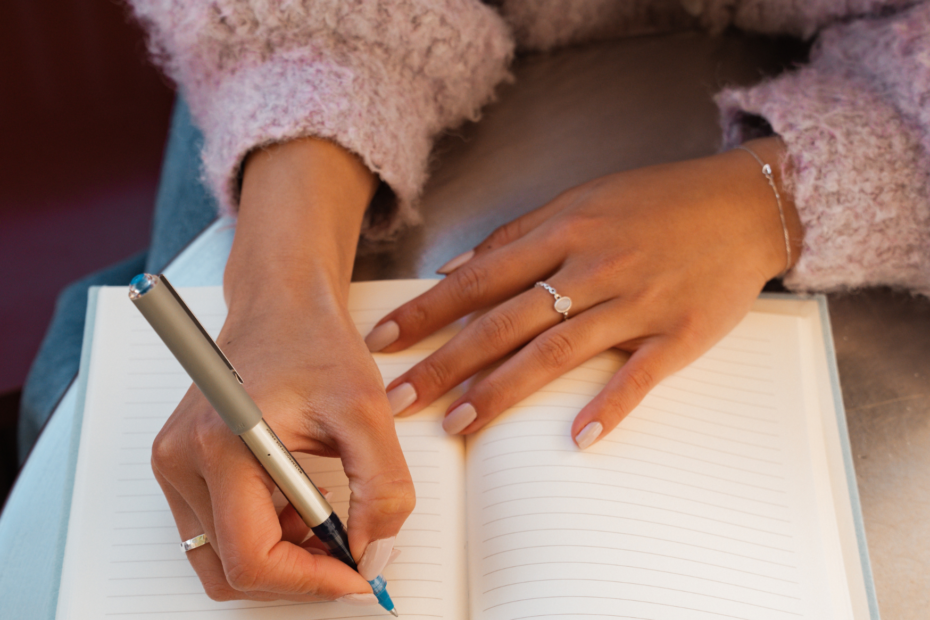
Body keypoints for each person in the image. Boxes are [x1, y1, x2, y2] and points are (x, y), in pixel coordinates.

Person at [26, 0, 930, 609]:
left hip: (895, 88)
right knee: (76, 390)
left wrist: (780, 199)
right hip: (320, 45)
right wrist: (279, 286)